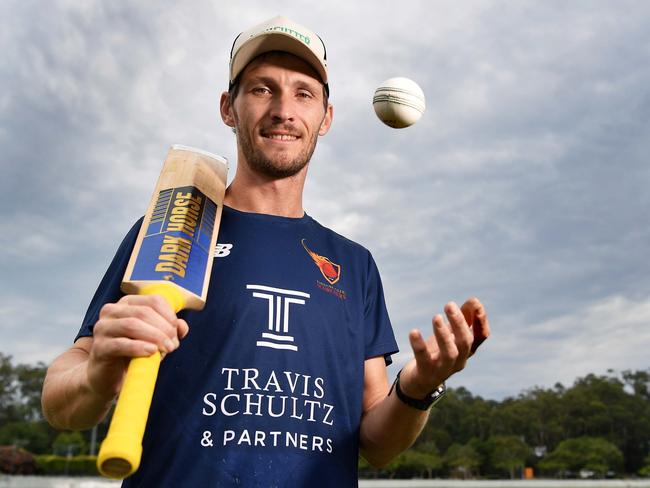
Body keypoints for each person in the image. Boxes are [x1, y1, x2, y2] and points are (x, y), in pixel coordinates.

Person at [42, 15, 490, 487]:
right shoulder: (173, 231)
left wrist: (418, 389)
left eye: (304, 93)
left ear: (325, 117)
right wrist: (99, 371)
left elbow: (377, 445)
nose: (283, 109)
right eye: (261, 89)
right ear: (228, 108)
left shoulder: (354, 265)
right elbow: (59, 401)